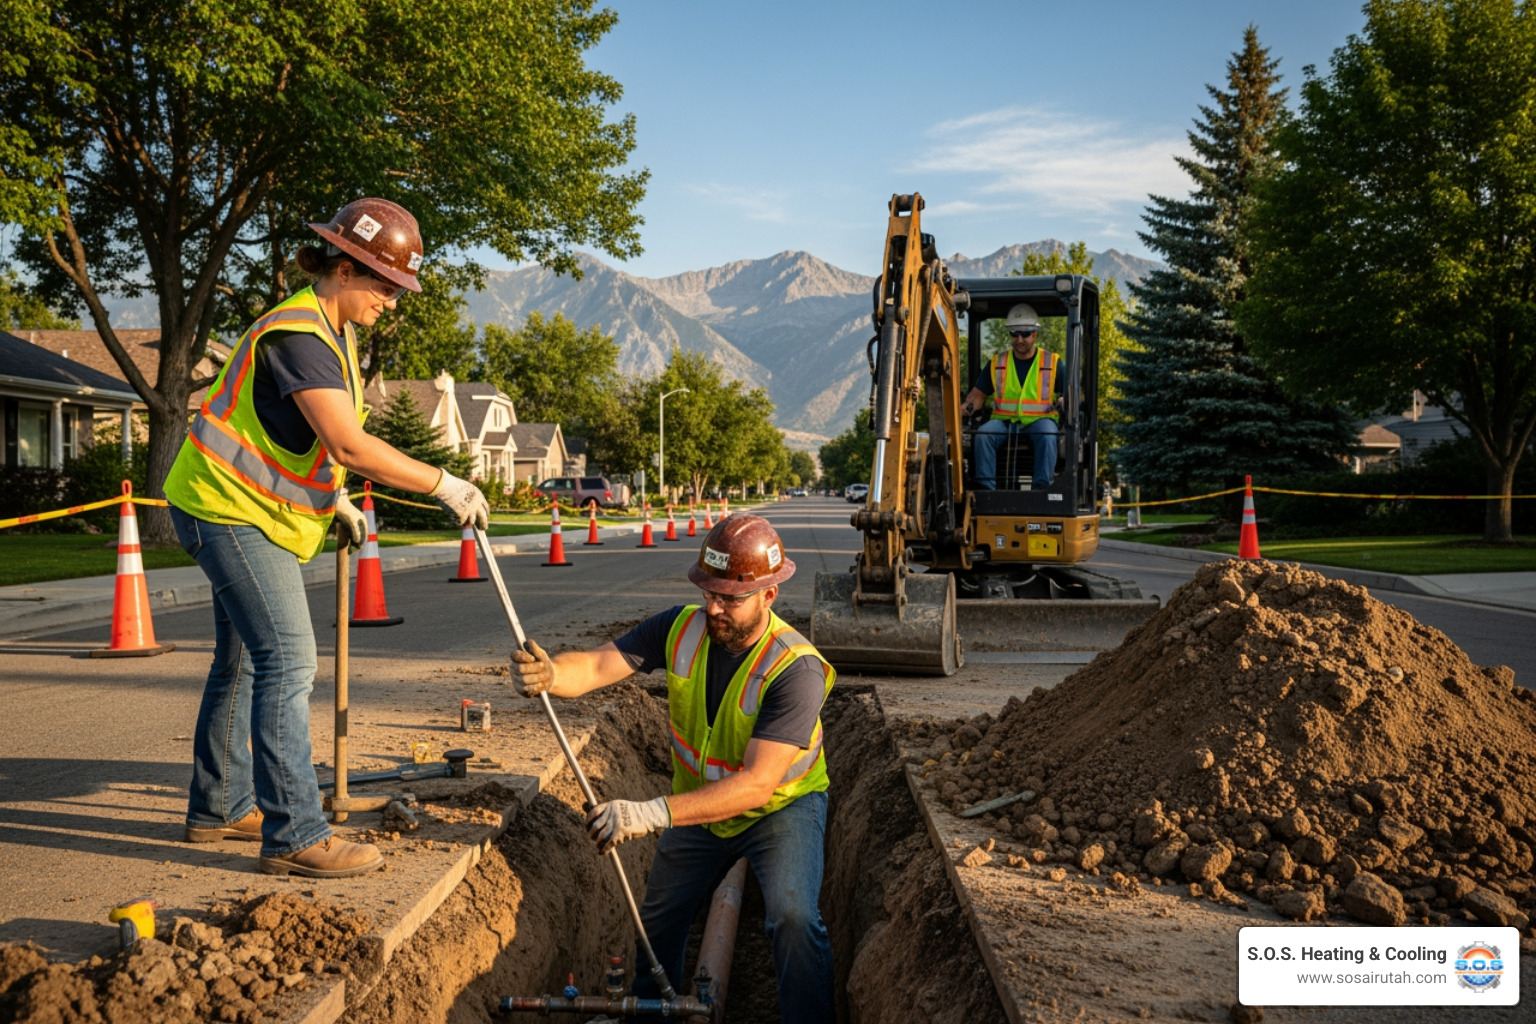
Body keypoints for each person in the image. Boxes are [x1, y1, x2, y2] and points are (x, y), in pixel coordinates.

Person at [163, 198, 489, 878]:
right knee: (287, 660)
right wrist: (444, 484)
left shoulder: (330, 330)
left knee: (245, 661)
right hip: (227, 509)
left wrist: (329, 494)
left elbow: (303, 437)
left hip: (246, 506)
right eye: (386, 286)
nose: (394, 303)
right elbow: (349, 441)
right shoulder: (300, 337)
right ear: (345, 267)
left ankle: (220, 806)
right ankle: (295, 835)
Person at [509, 515, 836, 1023]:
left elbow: (757, 783)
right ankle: (650, 1013)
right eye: (709, 591)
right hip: (700, 809)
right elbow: (596, 667)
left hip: (779, 811)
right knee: (657, 921)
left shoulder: (796, 668)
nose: (714, 606)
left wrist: (650, 813)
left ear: (769, 596)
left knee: (793, 917)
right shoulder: (680, 629)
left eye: (730, 597)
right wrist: (550, 674)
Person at [960, 302, 1063, 489]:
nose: (1020, 339)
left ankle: (1041, 490)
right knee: (984, 434)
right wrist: (963, 409)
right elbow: (977, 396)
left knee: (1048, 435)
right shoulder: (997, 363)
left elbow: (1069, 393)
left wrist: (1066, 401)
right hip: (1004, 422)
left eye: (1025, 334)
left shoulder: (1052, 362)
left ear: (1035, 334)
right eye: (1014, 334)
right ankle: (986, 489)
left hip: (1040, 421)